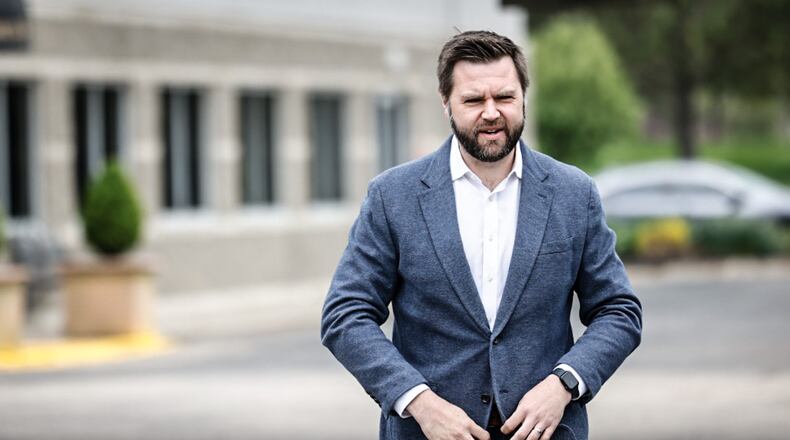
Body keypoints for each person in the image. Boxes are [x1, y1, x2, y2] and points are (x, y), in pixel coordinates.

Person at [321, 30, 642, 440]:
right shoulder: (392, 196)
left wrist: (564, 383)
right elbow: (346, 314)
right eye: (474, 100)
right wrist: (418, 401)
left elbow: (619, 310)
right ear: (446, 103)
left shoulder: (574, 194)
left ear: (523, 98)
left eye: (504, 97)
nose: (491, 113)